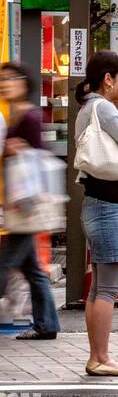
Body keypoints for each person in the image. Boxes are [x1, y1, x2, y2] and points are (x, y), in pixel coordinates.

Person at [74, 51, 118, 377]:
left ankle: (97, 356)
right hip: (108, 209)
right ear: (108, 79)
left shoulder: (88, 108)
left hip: (96, 204)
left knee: (97, 288)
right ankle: (100, 358)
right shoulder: (104, 108)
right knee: (106, 290)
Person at [0, 62, 61, 342]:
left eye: (10, 79)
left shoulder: (29, 117)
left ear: (24, 82)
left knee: (4, 263)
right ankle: (47, 325)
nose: (4, 84)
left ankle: (47, 324)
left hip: (27, 204)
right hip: (21, 203)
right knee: (32, 269)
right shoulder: (15, 115)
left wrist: (20, 149)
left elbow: (37, 159)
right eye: (1, 79)